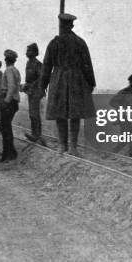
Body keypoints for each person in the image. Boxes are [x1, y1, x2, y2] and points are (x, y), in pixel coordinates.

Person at [41, 13, 96, 157]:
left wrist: (43, 84)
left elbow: (46, 66)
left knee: (61, 114)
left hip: (58, 79)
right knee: (75, 114)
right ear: (71, 25)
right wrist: (91, 83)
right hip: (76, 80)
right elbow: (87, 65)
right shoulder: (80, 42)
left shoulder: (54, 43)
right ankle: (72, 147)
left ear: (61, 25)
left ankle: (62, 145)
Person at [21, 43, 46, 146]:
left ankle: (37, 135)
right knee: (32, 113)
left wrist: (31, 85)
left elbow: (41, 78)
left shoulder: (37, 64)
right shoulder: (28, 63)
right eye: (27, 51)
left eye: (29, 51)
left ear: (34, 52)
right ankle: (34, 134)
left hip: (37, 91)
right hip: (31, 91)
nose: (27, 53)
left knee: (34, 113)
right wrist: (26, 86)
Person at [110, 72, 132, 156]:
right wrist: (122, 110)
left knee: (125, 140)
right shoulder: (124, 91)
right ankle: (131, 155)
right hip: (123, 118)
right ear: (131, 82)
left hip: (127, 119)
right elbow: (112, 101)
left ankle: (112, 153)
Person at [0, 49, 21, 162]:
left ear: (6, 60)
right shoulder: (16, 70)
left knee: (4, 128)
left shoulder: (8, 70)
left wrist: (6, 101)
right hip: (13, 102)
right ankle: (11, 153)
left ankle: (7, 155)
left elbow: (11, 87)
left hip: (9, 101)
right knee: (6, 127)